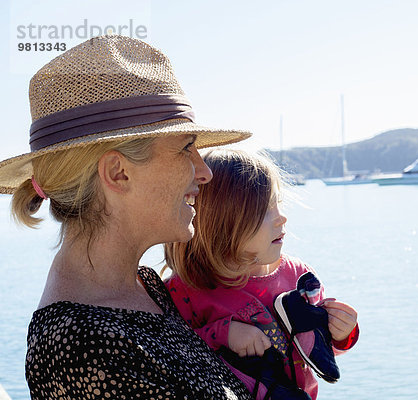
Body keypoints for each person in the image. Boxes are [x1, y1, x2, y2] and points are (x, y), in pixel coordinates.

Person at [0, 35, 254, 399]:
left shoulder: (142, 287)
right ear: (118, 173)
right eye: (186, 149)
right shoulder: (81, 349)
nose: (204, 171)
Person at [164, 149, 359, 400]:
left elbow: (317, 345)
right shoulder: (186, 289)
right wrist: (224, 333)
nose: (282, 217)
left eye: (279, 203)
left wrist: (341, 332)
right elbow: (173, 352)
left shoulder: (299, 277)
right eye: (266, 210)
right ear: (222, 223)